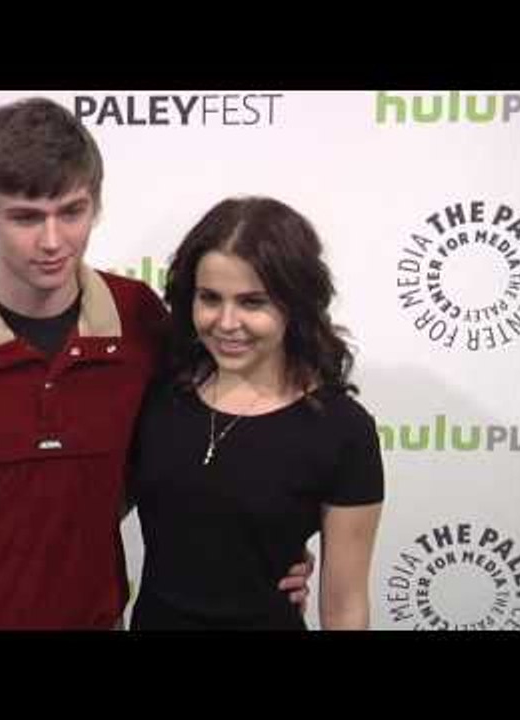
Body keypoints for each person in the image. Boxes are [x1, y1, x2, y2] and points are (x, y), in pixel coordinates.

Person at [0, 98, 311, 630]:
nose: (52, 241)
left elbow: (211, 443)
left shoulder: (141, 320)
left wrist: (270, 548)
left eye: (72, 211)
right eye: (24, 217)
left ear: (96, 204)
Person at [129, 196, 384, 631]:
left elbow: (345, 609)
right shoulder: (156, 392)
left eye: (252, 302)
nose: (227, 322)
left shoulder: (343, 431)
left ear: (295, 304)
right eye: (210, 298)